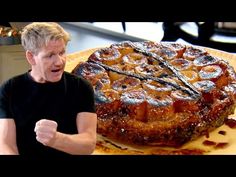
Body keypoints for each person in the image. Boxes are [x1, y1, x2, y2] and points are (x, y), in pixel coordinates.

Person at [0, 22, 97, 156]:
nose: (59, 61)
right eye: (50, 55)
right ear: (31, 57)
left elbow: (88, 145)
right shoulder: (9, 89)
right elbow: (6, 144)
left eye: (62, 52)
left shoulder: (81, 87)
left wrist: (56, 139)